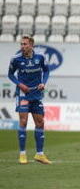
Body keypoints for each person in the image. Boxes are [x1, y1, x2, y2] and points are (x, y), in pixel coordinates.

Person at [7, 35, 51, 164]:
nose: (22, 46)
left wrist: (43, 82)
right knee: (23, 121)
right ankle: (22, 154)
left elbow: (46, 70)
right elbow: (10, 74)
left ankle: (39, 154)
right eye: (21, 44)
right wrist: (19, 84)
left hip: (36, 93)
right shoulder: (16, 59)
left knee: (40, 122)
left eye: (25, 44)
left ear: (31, 45)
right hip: (23, 94)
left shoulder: (40, 57)